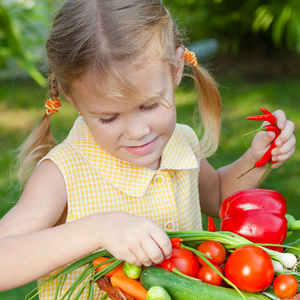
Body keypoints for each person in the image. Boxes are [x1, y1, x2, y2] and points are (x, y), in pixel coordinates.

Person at [0, 0, 296, 299]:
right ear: (73, 100)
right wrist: (99, 229)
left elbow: (217, 195)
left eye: (149, 105)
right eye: (109, 117)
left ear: (177, 69)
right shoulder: (63, 172)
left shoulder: (181, 143)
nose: (138, 131)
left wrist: (256, 161)